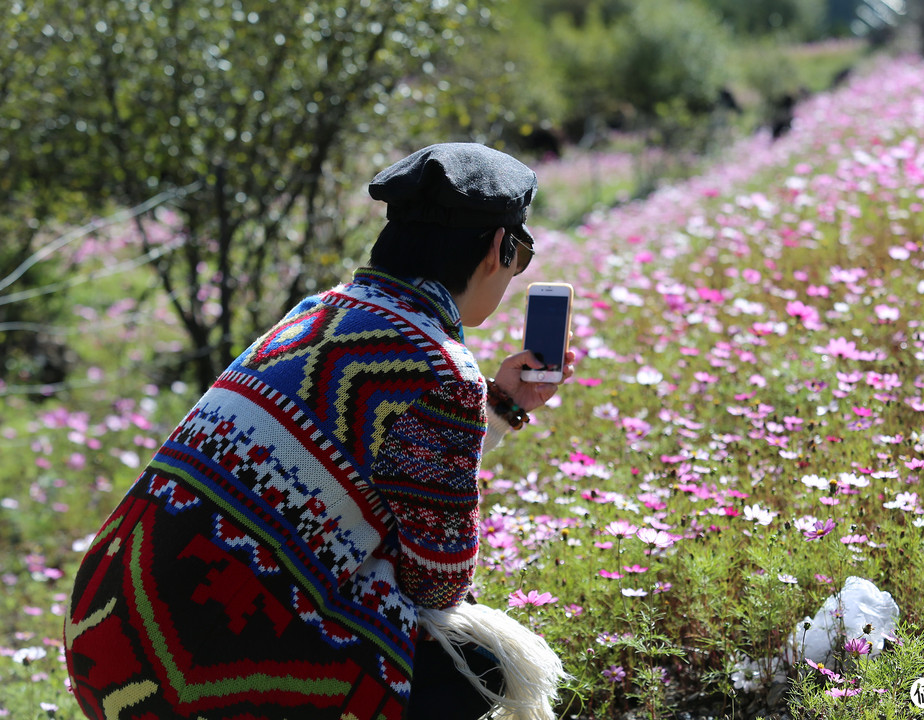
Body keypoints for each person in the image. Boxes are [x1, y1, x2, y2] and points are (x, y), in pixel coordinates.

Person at [64, 143, 575, 720]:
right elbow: (439, 583)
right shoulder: (437, 367)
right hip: (193, 683)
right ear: (496, 248)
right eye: (521, 252)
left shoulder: (315, 313)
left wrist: (500, 405)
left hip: (104, 644)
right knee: (478, 668)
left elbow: (367, 461)